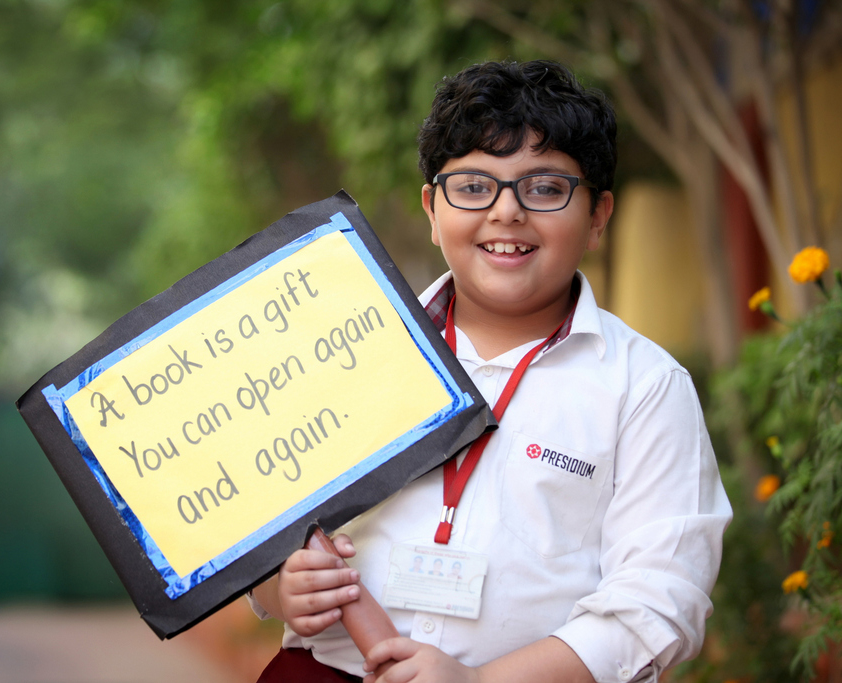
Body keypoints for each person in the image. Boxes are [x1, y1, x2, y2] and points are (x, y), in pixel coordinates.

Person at [249, 59, 732, 683]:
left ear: (599, 216)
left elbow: (660, 600)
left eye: (545, 188)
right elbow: (256, 519)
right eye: (474, 186)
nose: (506, 212)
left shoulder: (645, 387)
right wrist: (276, 590)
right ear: (431, 208)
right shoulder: (347, 350)